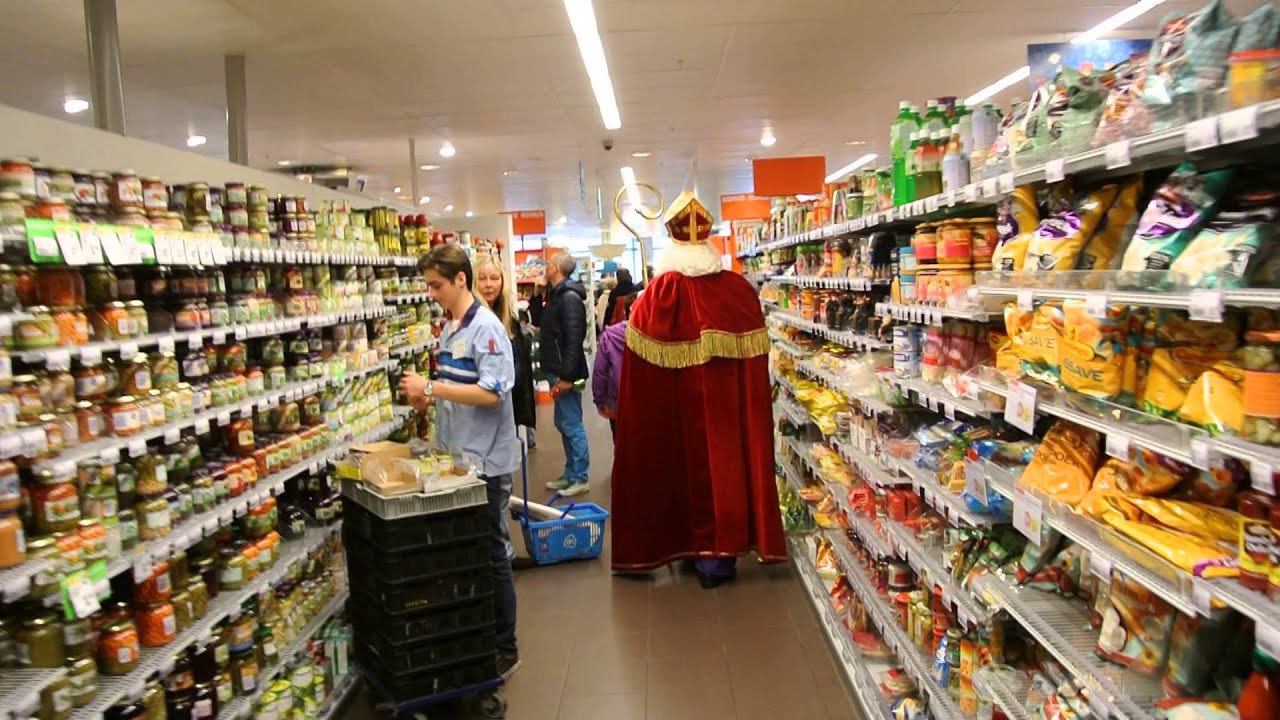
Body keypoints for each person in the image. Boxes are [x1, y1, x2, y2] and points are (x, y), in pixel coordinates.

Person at [609, 192, 786, 589]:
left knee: (677, 466)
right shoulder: (737, 291)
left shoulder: (657, 297)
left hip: (674, 411)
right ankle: (720, 556)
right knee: (725, 469)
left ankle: (686, 547)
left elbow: (637, 380)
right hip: (726, 415)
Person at [398, 245, 521, 678]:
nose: (431, 293)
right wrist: (424, 404)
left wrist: (431, 389)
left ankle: (506, 646)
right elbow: (456, 389)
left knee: (492, 552)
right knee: (467, 552)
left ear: (461, 280)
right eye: (428, 285)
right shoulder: (450, 327)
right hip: (457, 459)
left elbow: (491, 394)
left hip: (484, 461)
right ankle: (477, 636)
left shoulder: (486, 329)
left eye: (437, 285)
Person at [538, 253, 591, 496]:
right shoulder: (556, 295)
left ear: (556, 268)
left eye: (548, 265)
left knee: (571, 423)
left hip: (564, 371)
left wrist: (567, 376)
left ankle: (580, 476)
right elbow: (541, 323)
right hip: (556, 368)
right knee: (563, 422)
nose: (545, 268)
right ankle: (570, 473)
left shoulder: (569, 298)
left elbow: (573, 339)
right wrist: (537, 296)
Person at [474, 255, 537, 436]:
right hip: (481, 410)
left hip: (507, 408)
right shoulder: (472, 320)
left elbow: (520, 368)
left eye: (494, 278)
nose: (488, 284)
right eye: (482, 278)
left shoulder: (510, 320)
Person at [592, 291, 635, 441]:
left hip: (617, 401)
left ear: (625, 311)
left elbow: (600, 371)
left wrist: (600, 400)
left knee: (620, 442)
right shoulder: (654, 337)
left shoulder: (610, 336)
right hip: (646, 403)